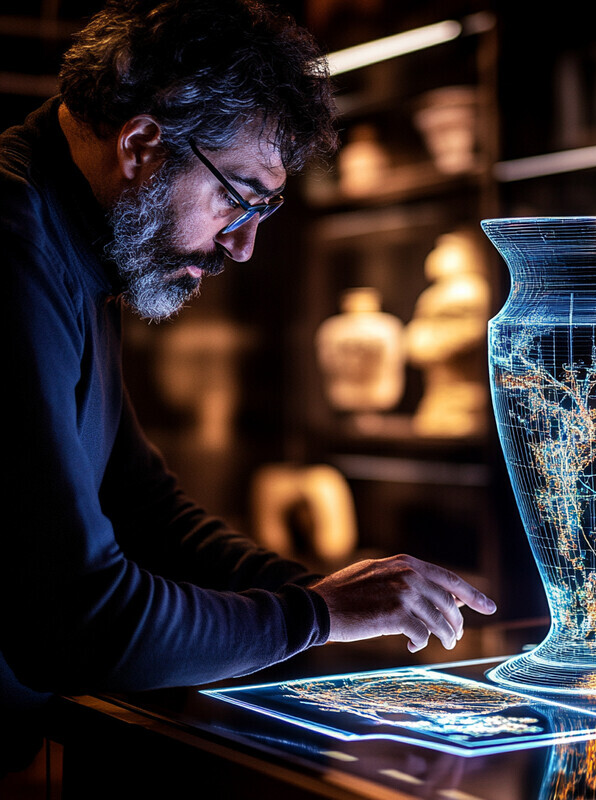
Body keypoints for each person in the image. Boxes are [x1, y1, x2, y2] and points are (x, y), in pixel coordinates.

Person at [1, 0, 496, 772]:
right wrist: (318, 614)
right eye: (240, 196)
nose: (244, 245)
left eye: (266, 208)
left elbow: (141, 506)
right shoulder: (12, 243)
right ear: (140, 144)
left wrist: (327, 601)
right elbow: (83, 621)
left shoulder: (78, 229)